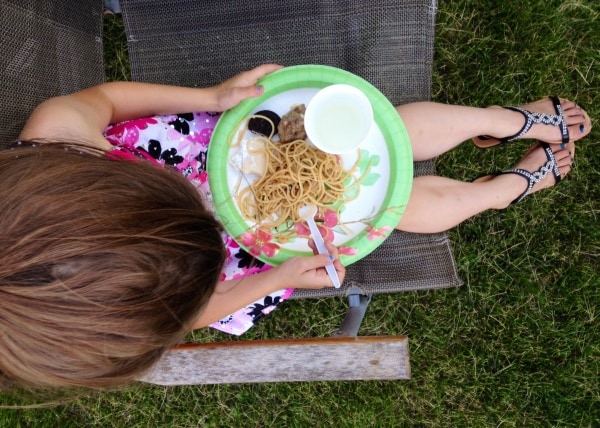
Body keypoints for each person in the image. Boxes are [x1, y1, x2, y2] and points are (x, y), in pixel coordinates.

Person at [0, 64, 591, 390]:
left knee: (373, 138)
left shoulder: (58, 132)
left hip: (206, 152)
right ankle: (497, 193)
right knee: (387, 210)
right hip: (239, 270)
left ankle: (506, 122)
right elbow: (203, 307)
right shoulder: (123, 314)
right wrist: (274, 276)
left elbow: (103, 99)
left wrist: (211, 94)